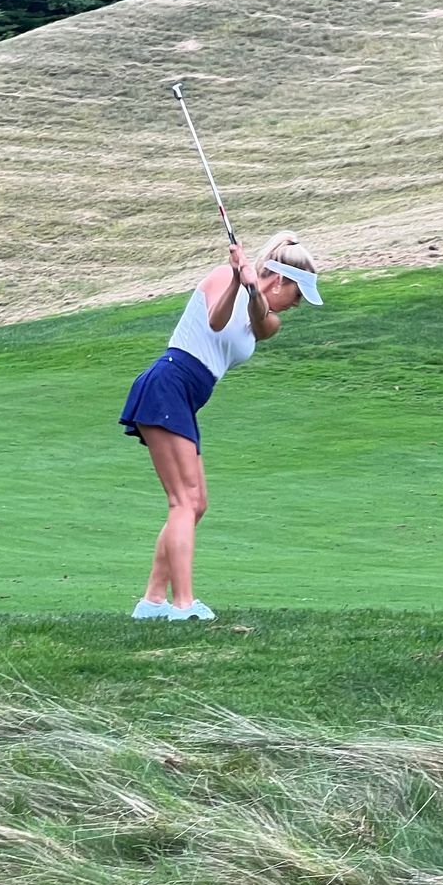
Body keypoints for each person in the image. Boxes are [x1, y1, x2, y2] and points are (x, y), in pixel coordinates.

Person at [118, 231, 322, 621]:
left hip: (185, 396)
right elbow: (215, 321)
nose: (296, 306)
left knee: (197, 504)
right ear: (281, 279)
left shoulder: (269, 319)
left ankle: (152, 602)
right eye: (297, 295)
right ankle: (182, 606)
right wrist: (233, 279)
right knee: (184, 501)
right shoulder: (218, 278)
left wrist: (251, 286)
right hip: (168, 382)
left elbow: (261, 323)